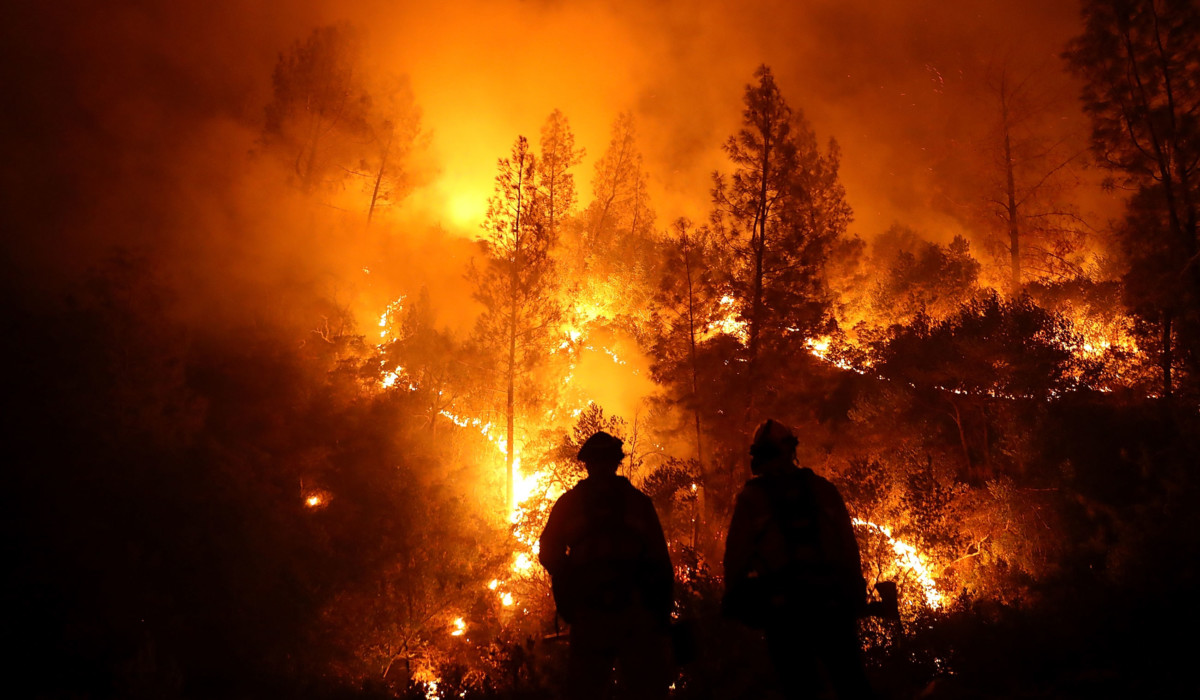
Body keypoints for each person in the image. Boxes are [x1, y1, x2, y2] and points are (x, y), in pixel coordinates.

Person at [723, 419, 873, 700]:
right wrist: (854, 591)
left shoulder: (752, 499)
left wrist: (735, 600)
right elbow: (848, 549)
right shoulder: (823, 490)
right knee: (851, 682)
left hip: (785, 612)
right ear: (791, 450)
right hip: (832, 605)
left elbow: (736, 557)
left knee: (799, 688)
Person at [538, 431, 674, 700]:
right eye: (598, 461)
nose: (600, 467)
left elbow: (549, 552)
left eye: (603, 461)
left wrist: (569, 581)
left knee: (586, 690)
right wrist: (661, 613)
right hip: (628, 614)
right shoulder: (638, 504)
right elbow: (659, 562)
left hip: (601, 614)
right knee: (643, 690)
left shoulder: (570, 504)